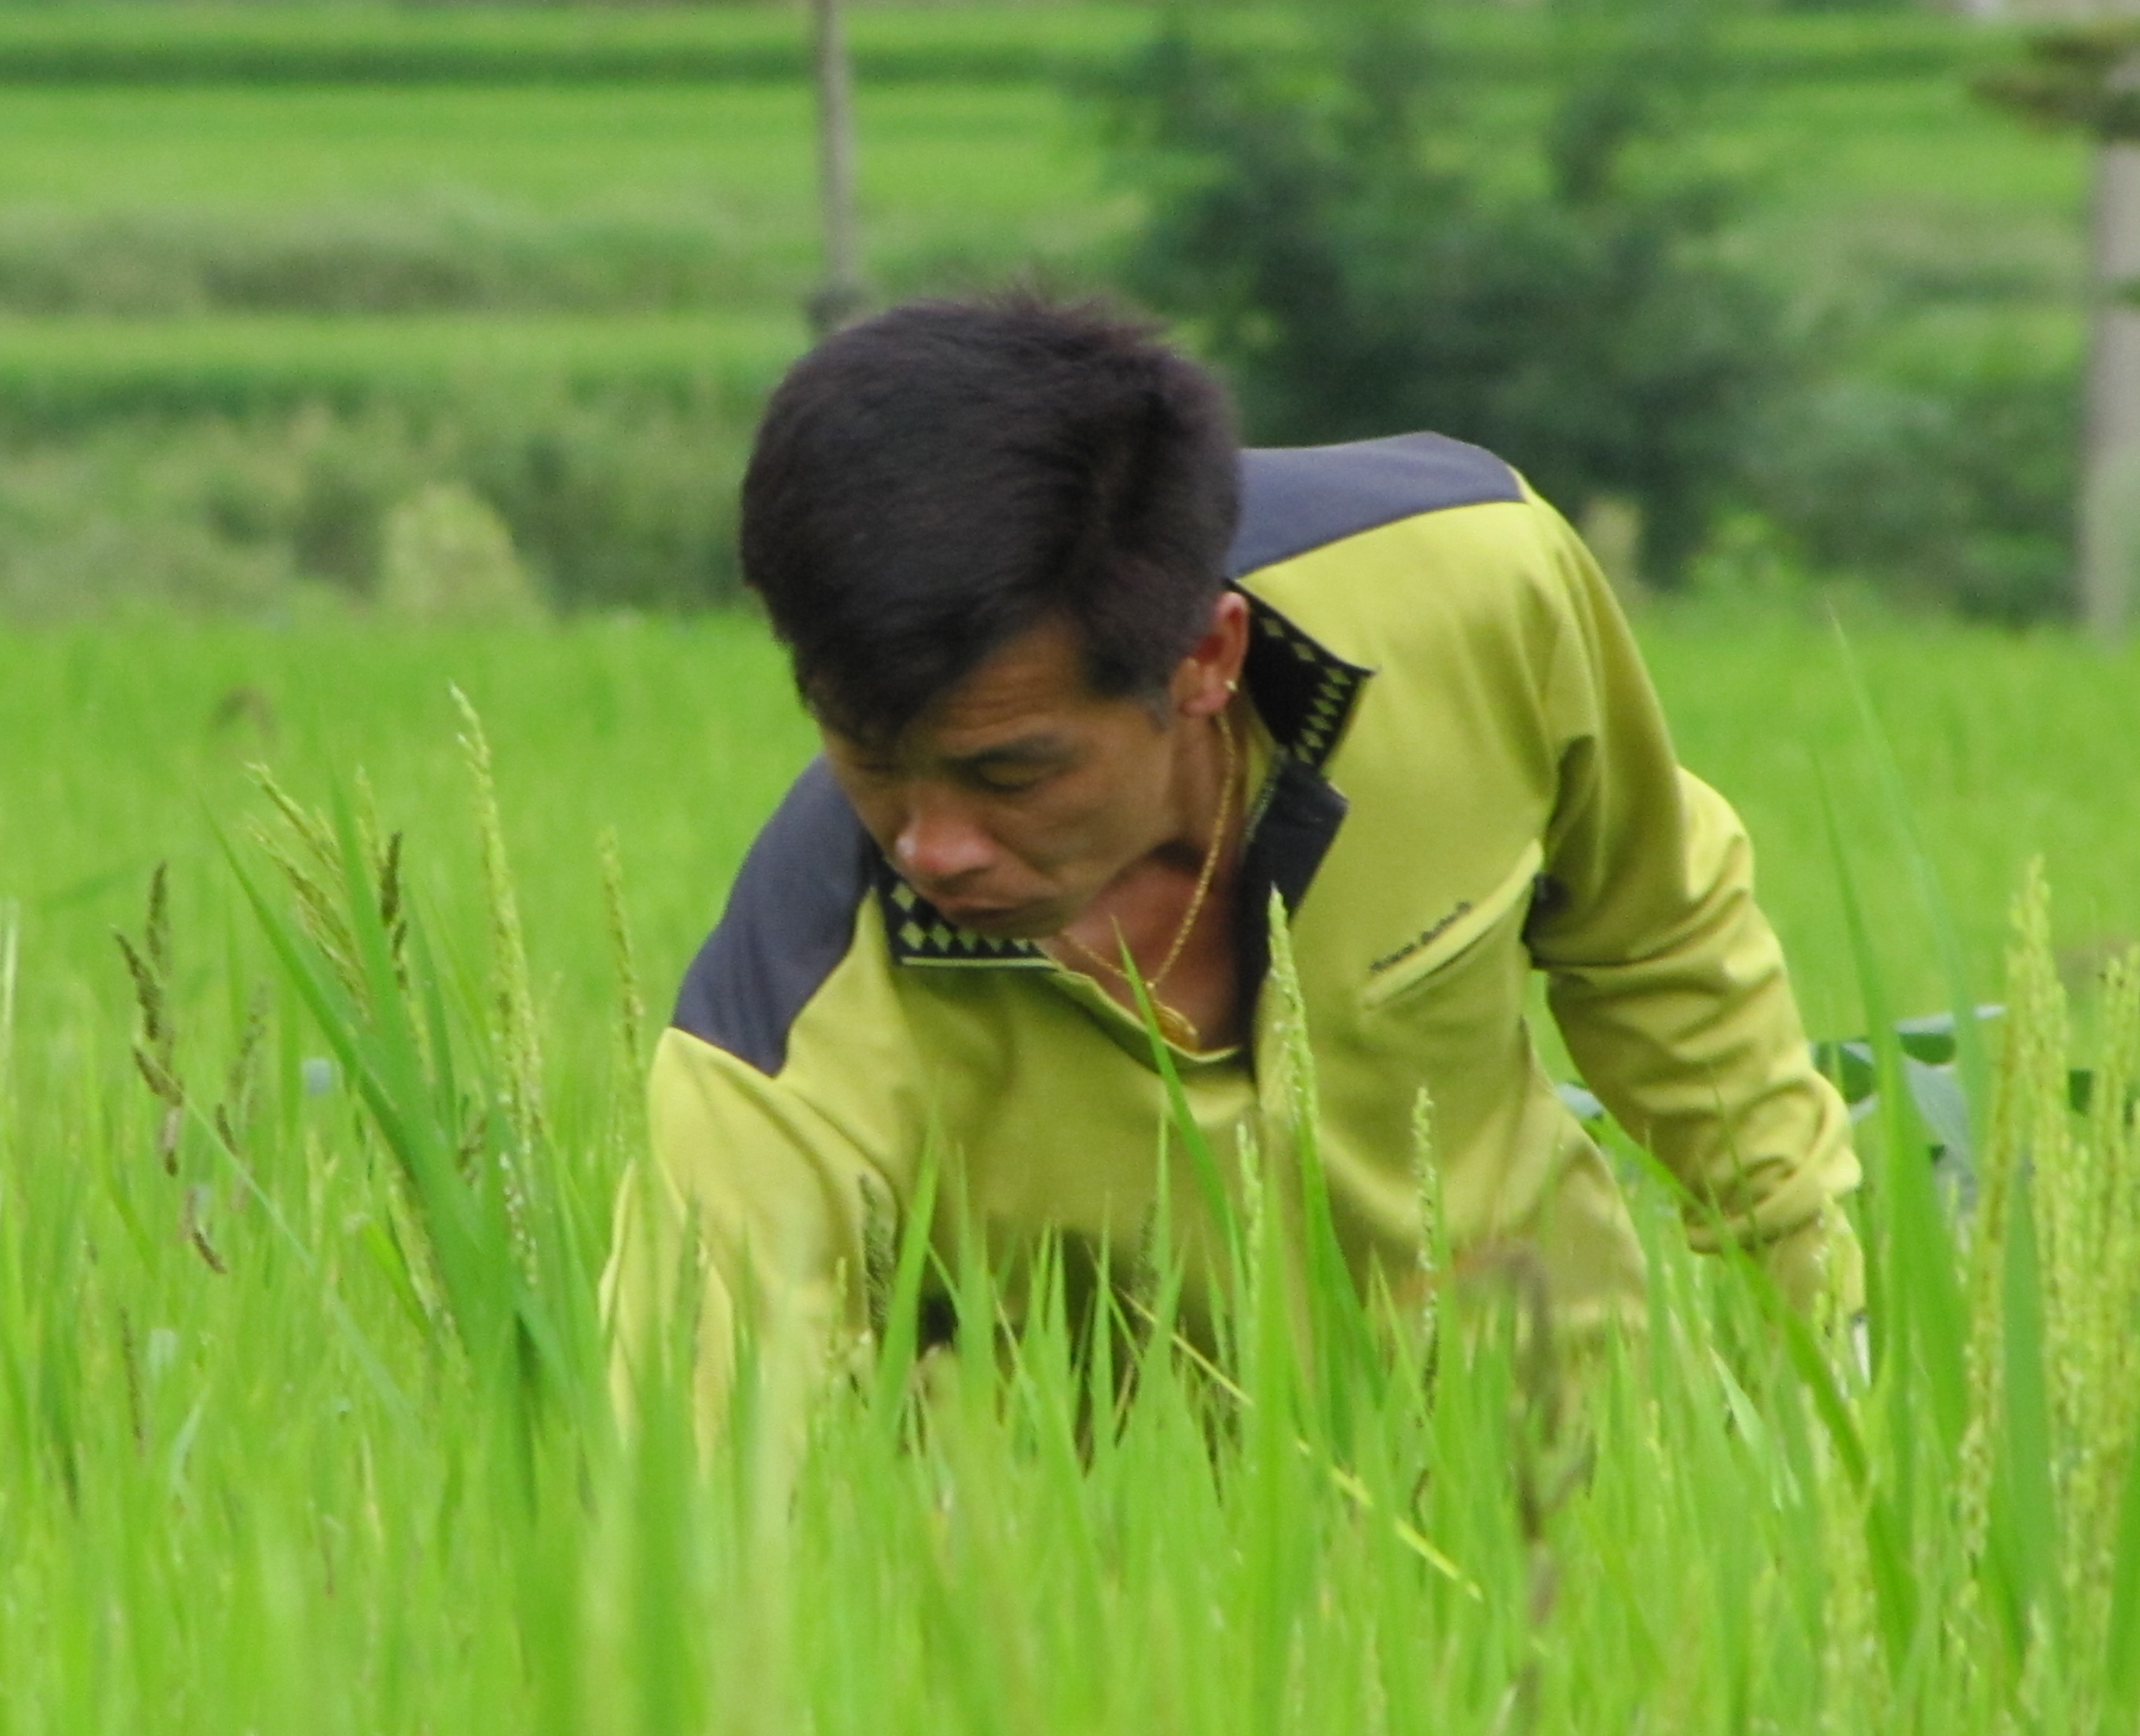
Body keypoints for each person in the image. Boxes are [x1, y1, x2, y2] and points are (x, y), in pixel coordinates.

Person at [607, 295, 1858, 1417]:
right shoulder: (785, 1025)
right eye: (867, 755)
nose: (931, 846)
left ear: (1204, 660)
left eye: (1011, 775)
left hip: (1563, 1475)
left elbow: (1653, 925)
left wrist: (1829, 1345)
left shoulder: (1474, 588)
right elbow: (696, 1450)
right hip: (1130, 1573)